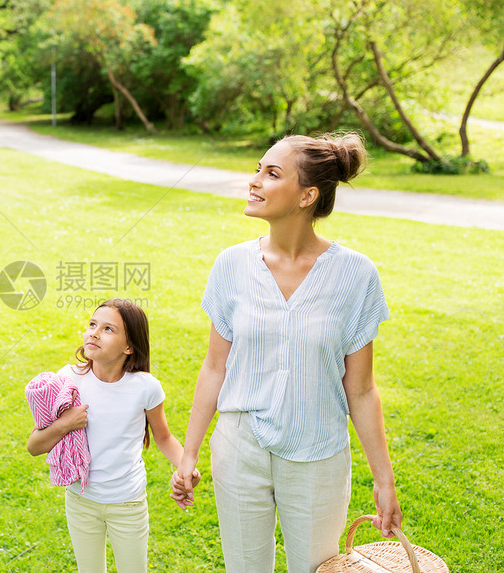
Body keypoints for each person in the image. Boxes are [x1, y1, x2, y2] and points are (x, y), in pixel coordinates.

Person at [170, 132, 402, 573]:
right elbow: (215, 367)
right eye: (257, 169)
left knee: (317, 569)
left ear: (307, 195)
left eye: (272, 173)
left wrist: (384, 480)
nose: (254, 181)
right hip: (240, 448)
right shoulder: (231, 265)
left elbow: (362, 389)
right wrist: (190, 454)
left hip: (317, 453)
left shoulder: (355, 275)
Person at [27, 299, 193, 573]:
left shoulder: (145, 388)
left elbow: (163, 438)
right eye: (92, 324)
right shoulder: (68, 380)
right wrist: (66, 423)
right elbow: (34, 446)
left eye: (108, 329)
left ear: (129, 347)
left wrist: (186, 467)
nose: (93, 332)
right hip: (81, 500)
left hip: (127, 503)